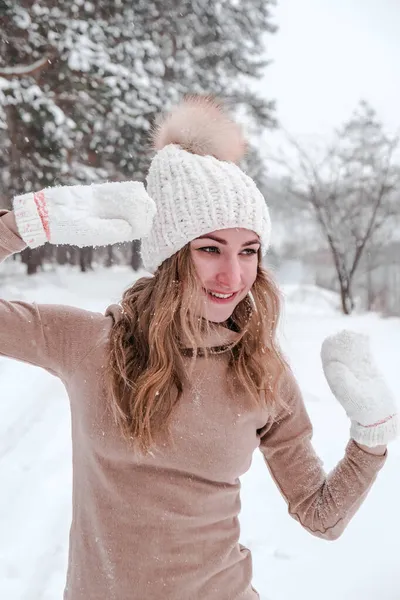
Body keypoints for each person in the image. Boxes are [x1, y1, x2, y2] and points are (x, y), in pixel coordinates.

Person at [0, 96, 397, 600]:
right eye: (210, 248)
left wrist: (371, 439)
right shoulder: (91, 345)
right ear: (170, 255)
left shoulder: (261, 372)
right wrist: (27, 223)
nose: (233, 276)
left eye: (248, 251)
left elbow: (321, 516)